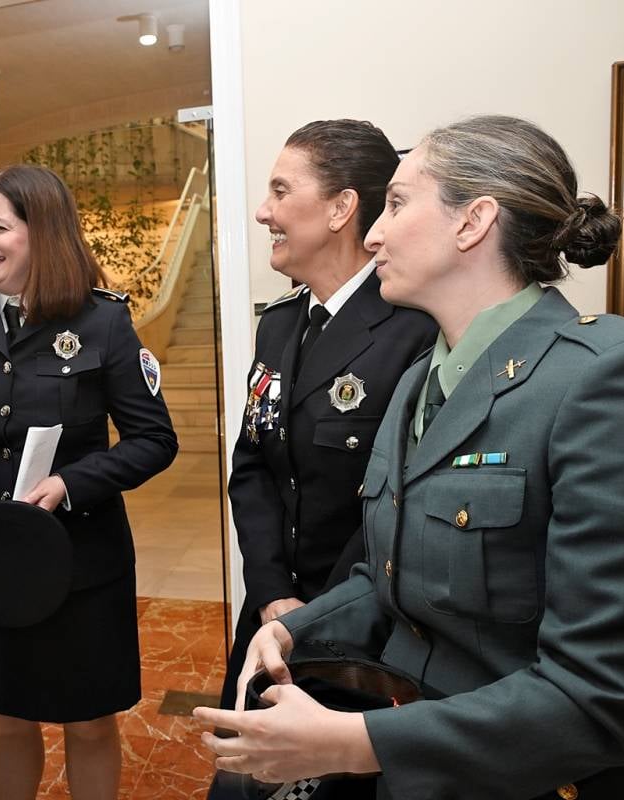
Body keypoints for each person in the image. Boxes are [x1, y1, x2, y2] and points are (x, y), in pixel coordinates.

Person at [195, 115, 624, 799]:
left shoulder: (603, 377)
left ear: (473, 223)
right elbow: (387, 578)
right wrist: (293, 630)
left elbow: (600, 696)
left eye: (399, 203)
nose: (373, 231)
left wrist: (356, 744)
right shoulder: (421, 381)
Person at [0, 164, 177, 799]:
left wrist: (68, 484)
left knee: (88, 719)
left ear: (44, 233)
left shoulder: (102, 322)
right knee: (6, 713)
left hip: (82, 560)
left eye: (0, 226)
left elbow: (154, 440)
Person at [213, 120, 436, 798]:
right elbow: (253, 464)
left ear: (341, 208)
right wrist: (273, 590)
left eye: (282, 190)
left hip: (362, 634)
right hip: (272, 614)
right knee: (240, 781)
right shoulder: (278, 323)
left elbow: (401, 500)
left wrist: (314, 610)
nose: (263, 211)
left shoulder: (414, 327)